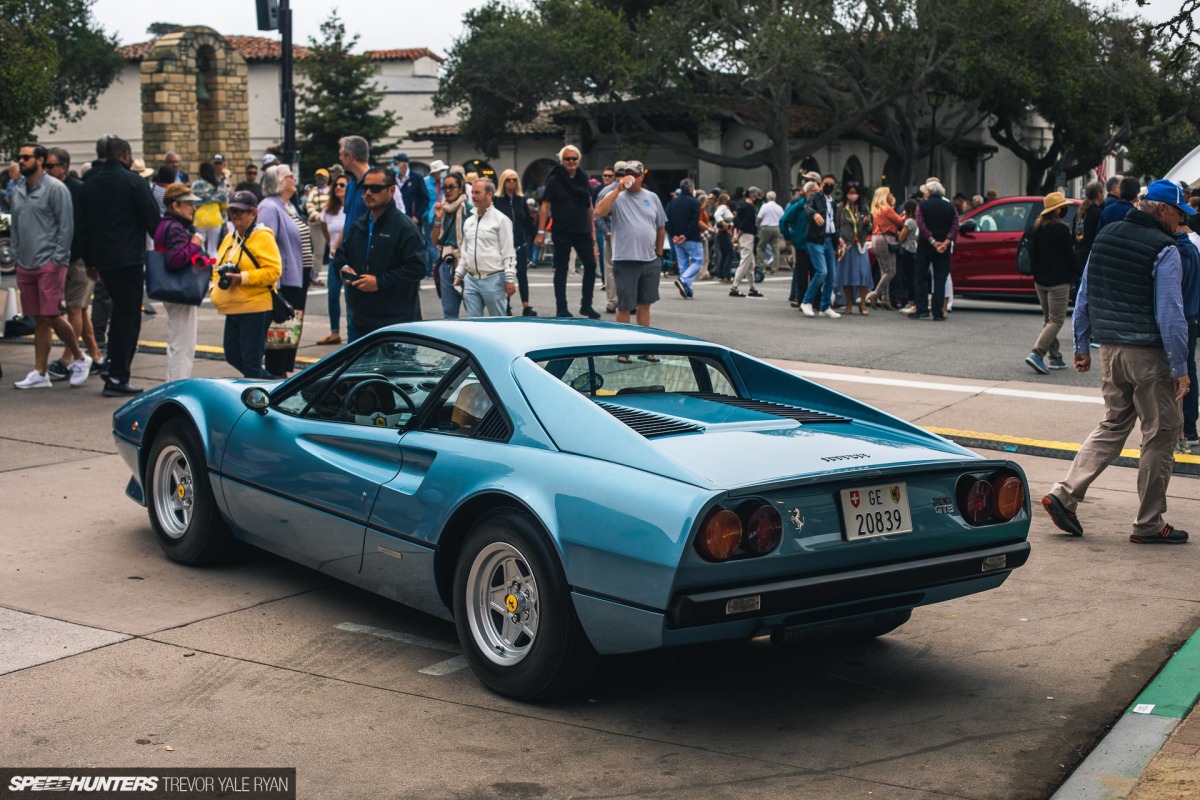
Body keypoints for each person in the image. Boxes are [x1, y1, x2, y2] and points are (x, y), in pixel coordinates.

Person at [1042, 180, 1193, 545]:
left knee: (1112, 425)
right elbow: (1170, 313)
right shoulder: (1166, 249)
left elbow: (1085, 294)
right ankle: (1149, 524)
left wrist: (1081, 344)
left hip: (1110, 349)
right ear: (1160, 209)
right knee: (1161, 434)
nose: (1181, 220)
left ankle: (1064, 494)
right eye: (1178, 211)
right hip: (1148, 355)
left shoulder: (1106, 236)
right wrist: (1181, 368)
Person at [79, 137, 161, 396]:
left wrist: (90, 262)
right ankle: (118, 376)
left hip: (103, 260)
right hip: (128, 258)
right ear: (125, 155)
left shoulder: (89, 183)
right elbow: (152, 220)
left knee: (115, 313)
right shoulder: (133, 181)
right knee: (127, 318)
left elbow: (83, 227)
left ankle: (113, 366)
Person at [10, 143, 91, 389]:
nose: (21, 161)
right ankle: (40, 372)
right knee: (39, 319)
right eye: (20, 158)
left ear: (40, 160)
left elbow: (66, 227)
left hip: (49, 263)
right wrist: (16, 253)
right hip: (25, 263)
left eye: (26, 157)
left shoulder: (56, 189)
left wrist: (57, 260)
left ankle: (79, 357)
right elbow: (15, 225)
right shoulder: (18, 189)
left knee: (51, 314)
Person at [332, 167, 425, 338]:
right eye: (365, 188)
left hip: (395, 323)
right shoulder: (359, 224)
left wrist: (380, 282)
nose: (368, 192)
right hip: (359, 321)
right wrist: (344, 267)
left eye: (375, 188)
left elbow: (417, 268)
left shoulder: (405, 228)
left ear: (391, 190)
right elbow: (341, 254)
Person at [43, 147, 103, 383]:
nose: (46, 170)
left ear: (64, 168)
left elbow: (88, 225)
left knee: (74, 309)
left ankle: (70, 359)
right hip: (61, 258)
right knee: (81, 310)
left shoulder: (78, 190)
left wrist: (91, 259)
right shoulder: (48, 190)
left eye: (50, 166)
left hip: (79, 259)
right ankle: (95, 356)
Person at [211, 191, 281, 379]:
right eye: (232, 211)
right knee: (232, 355)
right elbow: (217, 268)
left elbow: (274, 271)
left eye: (241, 211)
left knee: (251, 363)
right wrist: (214, 287)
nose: (236, 216)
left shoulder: (263, 237)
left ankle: (259, 398)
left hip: (256, 307)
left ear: (253, 213)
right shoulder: (229, 239)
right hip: (232, 307)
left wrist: (242, 277)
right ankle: (275, 386)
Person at [595, 160, 665, 330]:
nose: (629, 177)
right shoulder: (615, 195)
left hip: (649, 259)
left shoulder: (652, 197)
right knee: (624, 305)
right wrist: (618, 189)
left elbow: (660, 226)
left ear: (641, 177)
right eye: (627, 173)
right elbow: (600, 212)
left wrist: (659, 254)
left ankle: (644, 345)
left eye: (634, 174)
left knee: (645, 304)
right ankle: (623, 348)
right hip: (625, 259)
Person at [534, 145, 601, 318]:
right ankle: (561, 307)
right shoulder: (555, 179)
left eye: (574, 158)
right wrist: (541, 231)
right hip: (562, 230)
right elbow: (545, 206)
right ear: (562, 161)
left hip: (582, 230)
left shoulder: (583, 177)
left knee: (591, 265)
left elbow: (590, 206)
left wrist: (593, 233)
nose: (571, 162)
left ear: (578, 160)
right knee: (561, 268)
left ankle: (586, 304)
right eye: (567, 159)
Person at [153, 183, 209, 382]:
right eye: (189, 204)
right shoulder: (176, 228)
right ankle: (177, 385)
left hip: (171, 289)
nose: (193, 208)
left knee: (178, 340)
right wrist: (194, 245)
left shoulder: (166, 225)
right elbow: (175, 259)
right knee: (183, 344)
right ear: (175, 205)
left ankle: (173, 383)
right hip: (180, 290)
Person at [257, 164, 309, 378]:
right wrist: (274, 283)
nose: (294, 179)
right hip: (284, 279)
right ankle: (276, 375)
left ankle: (281, 373)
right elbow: (265, 244)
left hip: (297, 277)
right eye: (290, 176)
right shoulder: (269, 207)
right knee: (281, 333)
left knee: (290, 331)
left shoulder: (287, 205)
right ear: (278, 181)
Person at [1024, 192, 1077, 374]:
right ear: (1057, 210)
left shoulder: (1036, 228)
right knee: (1056, 320)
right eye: (1062, 206)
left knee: (1048, 319)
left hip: (1040, 280)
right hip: (1058, 280)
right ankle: (1037, 353)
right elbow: (1069, 256)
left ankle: (1055, 357)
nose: (1064, 209)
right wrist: (1077, 273)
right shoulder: (1060, 230)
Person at [453, 179, 516, 317]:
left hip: (494, 279)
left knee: (499, 322)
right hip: (470, 280)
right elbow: (465, 252)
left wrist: (509, 278)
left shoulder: (501, 220)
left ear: (489, 194)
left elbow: (508, 251)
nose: (474, 196)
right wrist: (459, 273)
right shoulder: (469, 222)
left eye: (477, 193)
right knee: (473, 324)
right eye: (473, 192)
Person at [911, 180, 958, 321]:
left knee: (921, 277)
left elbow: (920, 223)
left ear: (929, 192)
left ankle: (922, 309)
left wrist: (932, 240)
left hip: (926, 246)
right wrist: (946, 242)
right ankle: (938, 312)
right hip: (943, 247)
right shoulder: (950, 207)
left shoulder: (922, 206)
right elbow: (955, 226)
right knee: (940, 279)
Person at [493, 168, 537, 316]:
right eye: (508, 180)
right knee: (505, 276)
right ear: (503, 182)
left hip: (520, 244)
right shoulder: (497, 200)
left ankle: (526, 306)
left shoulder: (521, 199)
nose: (511, 183)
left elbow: (528, 221)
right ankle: (506, 305)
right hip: (502, 247)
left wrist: (536, 235)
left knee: (522, 275)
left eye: (514, 180)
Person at [1175, 190, 1199, 454]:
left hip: (1178, 319)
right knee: (1187, 373)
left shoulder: (1177, 249)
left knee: (1174, 376)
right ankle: (1189, 431)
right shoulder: (1193, 246)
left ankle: (1178, 433)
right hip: (1191, 317)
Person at [430, 173, 471, 318]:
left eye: (451, 187)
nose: (447, 191)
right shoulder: (441, 209)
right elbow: (434, 240)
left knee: (472, 311)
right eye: (445, 187)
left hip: (465, 263)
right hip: (446, 264)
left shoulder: (468, 209)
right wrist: (437, 219)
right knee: (449, 312)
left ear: (460, 189)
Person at [800, 175, 841, 318]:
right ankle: (807, 301)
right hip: (816, 239)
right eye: (826, 183)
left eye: (831, 184)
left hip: (829, 238)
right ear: (821, 184)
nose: (828, 186)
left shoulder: (833, 202)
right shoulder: (815, 197)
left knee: (831, 274)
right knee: (822, 271)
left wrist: (838, 238)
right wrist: (815, 214)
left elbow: (834, 221)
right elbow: (807, 208)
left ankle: (825, 306)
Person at [317, 175, 347, 345]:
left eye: (342, 185)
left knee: (352, 297)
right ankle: (334, 332)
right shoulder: (328, 210)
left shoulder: (353, 208)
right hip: (334, 258)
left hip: (349, 259)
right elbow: (324, 228)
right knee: (332, 295)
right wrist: (332, 245)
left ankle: (354, 330)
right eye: (336, 185)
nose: (338, 188)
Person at [834, 184, 873, 315]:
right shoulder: (840, 208)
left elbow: (870, 228)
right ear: (846, 194)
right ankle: (849, 302)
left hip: (860, 244)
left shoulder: (863, 207)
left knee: (863, 273)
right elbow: (836, 226)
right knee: (847, 274)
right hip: (847, 244)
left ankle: (862, 302)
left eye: (855, 193)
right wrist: (838, 240)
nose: (853, 195)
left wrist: (867, 223)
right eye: (851, 192)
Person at [596, 161, 628, 311]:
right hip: (622, 234)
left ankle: (612, 301)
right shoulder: (629, 190)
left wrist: (606, 231)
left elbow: (597, 215)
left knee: (611, 269)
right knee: (626, 268)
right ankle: (624, 301)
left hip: (612, 233)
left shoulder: (606, 191)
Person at [867, 187, 904, 310]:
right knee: (891, 271)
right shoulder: (887, 209)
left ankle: (885, 298)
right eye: (889, 193)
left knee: (884, 270)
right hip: (886, 239)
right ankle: (875, 294)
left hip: (876, 239)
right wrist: (906, 213)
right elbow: (900, 222)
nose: (891, 194)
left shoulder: (877, 209)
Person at [666, 178, 703, 298]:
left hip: (676, 238)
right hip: (691, 237)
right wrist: (685, 235)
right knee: (698, 260)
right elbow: (694, 221)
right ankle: (684, 281)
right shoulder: (694, 202)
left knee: (683, 263)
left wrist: (674, 235)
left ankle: (687, 287)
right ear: (691, 188)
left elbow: (667, 221)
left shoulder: (672, 203)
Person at [780, 181, 814, 307]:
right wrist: (789, 238)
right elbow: (783, 221)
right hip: (802, 243)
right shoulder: (798, 206)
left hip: (815, 242)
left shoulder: (817, 204)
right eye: (812, 192)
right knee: (802, 272)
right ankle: (802, 298)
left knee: (816, 271)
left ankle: (812, 298)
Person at [730, 187, 763, 297]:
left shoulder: (742, 206)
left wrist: (735, 235)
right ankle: (734, 286)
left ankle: (752, 287)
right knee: (745, 261)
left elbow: (736, 222)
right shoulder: (750, 208)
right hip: (747, 235)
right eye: (757, 196)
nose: (758, 199)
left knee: (750, 263)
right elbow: (745, 224)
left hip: (741, 236)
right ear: (753, 196)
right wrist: (738, 234)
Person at [191, 161, 227, 256]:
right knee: (213, 248)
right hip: (215, 218)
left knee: (200, 247)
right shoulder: (218, 184)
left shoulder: (196, 185)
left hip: (200, 218)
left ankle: (202, 267)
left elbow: (192, 201)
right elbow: (224, 204)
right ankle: (213, 268)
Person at [1073, 180, 1105, 272]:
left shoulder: (1080, 213)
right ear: (1099, 194)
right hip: (1090, 258)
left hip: (1079, 257)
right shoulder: (1098, 213)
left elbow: (1077, 236)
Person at [306, 168, 331, 270]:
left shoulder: (331, 191)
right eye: (318, 177)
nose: (320, 179)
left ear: (327, 178)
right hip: (317, 224)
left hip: (330, 223)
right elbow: (309, 205)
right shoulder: (313, 191)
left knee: (335, 249)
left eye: (322, 177)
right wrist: (318, 216)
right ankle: (316, 274)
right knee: (318, 251)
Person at [755, 190, 784, 273]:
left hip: (766, 227)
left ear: (767, 198)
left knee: (761, 247)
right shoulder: (779, 207)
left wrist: (758, 224)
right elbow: (782, 218)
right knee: (776, 248)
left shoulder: (765, 206)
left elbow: (759, 217)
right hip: (776, 227)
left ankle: (761, 267)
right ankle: (775, 268)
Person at [712, 191, 735, 283]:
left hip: (723, 233)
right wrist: (723, 223)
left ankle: (720, 274)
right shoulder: (723, 207)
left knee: (725, 254)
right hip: (724, 233)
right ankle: (726, 275)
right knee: (730, 254)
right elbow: (717, 215)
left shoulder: (725, 208)